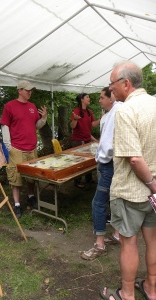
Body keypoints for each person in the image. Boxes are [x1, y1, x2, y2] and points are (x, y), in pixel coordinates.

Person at [100, 61, 156, 300]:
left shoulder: (124, 110)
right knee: (152, 241)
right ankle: (152, 289)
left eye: (112, 84)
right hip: (151, 196)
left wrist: (153, 184)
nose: (110, 89)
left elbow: (134, 159)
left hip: (131, 192)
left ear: (126, 83)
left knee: (129, 244)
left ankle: (126, 293)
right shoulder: (154, 103)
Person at [81, 87, 121, 260]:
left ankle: (100, 244)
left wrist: (102, 157)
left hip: (108, 164)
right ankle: (118, 235)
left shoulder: (116, 112)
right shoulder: (113, 112)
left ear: (111, 98)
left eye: (101, 97)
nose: (99, 100)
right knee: (115, 199)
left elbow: (109, 143)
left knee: (98, 203)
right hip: (112, 163)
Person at [0, 80, 47, 218]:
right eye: (27, 90)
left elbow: (36, 125)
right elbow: (5, 126)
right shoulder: (10, 106)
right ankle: (17, 204)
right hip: (17, 149)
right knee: (16, 178)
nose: (29, 92)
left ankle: (31, 196)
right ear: (19, 90)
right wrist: (9, 146)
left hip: (32, 148)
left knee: (31, 176)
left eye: (31, 90)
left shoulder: (32, 106)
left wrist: (43, 118)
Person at [70, 93, 101, 187]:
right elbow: (72, 126)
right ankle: (77, 181)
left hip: (88, 140)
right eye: (87, 97)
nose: (89, 98)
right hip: (78, 141)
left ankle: (89, 179)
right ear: (81, 100)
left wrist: (101, 119)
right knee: (79, 161)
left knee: (88, 160)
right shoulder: (76, 111)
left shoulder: (89, 112)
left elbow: (93, 125)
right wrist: (75, 119)